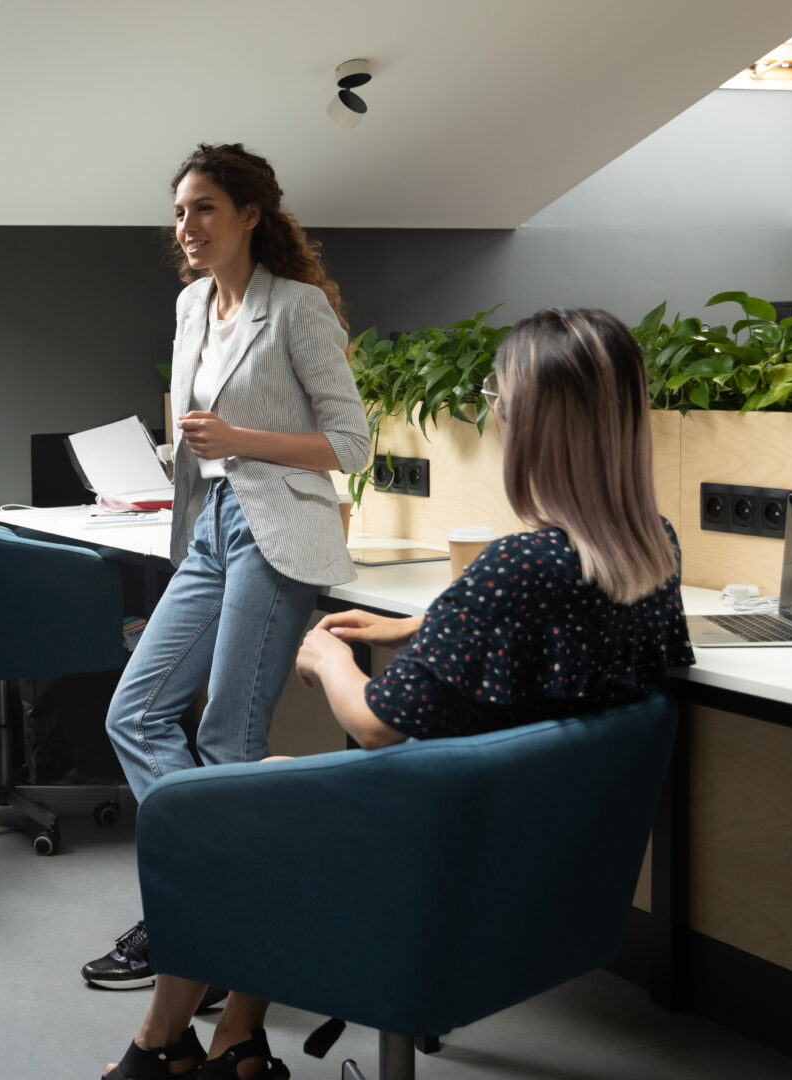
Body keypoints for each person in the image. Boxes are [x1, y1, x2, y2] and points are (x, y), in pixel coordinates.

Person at [101, 307, 695, 1079]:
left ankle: (158, 1046)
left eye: (499, 399)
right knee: (270, 787)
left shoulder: (516, 568)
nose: (494, 413)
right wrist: (428, 621)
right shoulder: (651, 549)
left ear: (537, 427)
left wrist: (326, 659)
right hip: (537, 860)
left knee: (232, 810)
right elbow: (557, 620)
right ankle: (234, 1042)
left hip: (441, 866)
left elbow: (376, 724)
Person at [83, 143, 370, 998]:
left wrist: (242, 440)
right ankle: (210, 900)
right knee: (134, 713)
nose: (187, 226)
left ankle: (206, 935)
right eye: (179, 211)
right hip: (208, 527)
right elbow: (189, 438)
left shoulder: (299, 310)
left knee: (225, 741)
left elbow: (351, 445)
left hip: (274, 532)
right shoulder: (190, 306)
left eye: (204, 208)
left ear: (251, 215)